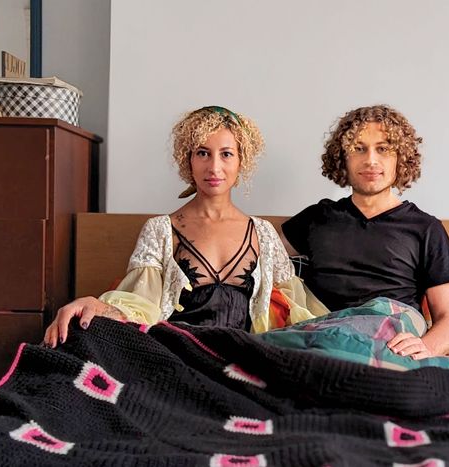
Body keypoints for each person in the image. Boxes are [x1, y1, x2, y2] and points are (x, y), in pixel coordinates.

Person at [44, 105, 316, 348]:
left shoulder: (263, 234)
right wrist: (96, 305)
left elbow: (297, 311)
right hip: (176, 354)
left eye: (226, 154)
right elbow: (139, 306)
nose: (214, 167)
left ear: (241, 161)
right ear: (188, 159)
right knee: (80, 336)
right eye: (203, 153)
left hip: (240, 357)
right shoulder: (160, 230)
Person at [281, 105, 449, 360]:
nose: (370, 160)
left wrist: (426, 347)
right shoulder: (317, 218)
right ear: (342, 158)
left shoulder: (425, 228)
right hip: (323, 334)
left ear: (401, 158)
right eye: (358, 148)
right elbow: (257, 253)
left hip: (389, 337)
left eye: (383, 149)